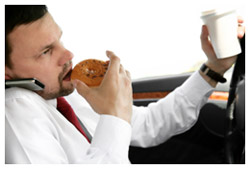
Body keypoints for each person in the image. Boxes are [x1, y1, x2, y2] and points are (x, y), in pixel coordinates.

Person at [5, 5, 245, 164]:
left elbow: (148, 124)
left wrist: (214, 68)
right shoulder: (16, 110)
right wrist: (114, 115)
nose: (68, 54)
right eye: (46, 52)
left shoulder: (61, 91)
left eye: (59, 39)